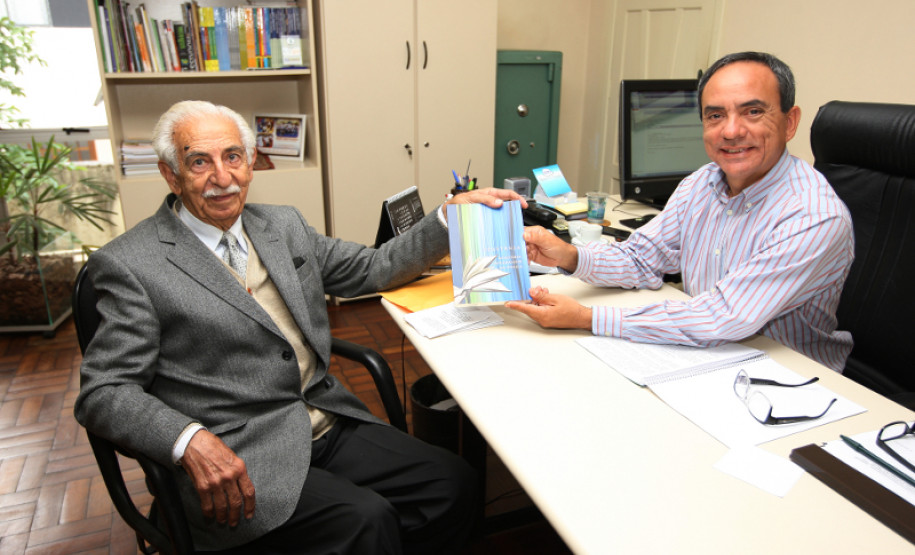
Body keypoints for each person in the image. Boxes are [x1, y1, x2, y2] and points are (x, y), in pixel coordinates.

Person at [74, 100, 525, 553]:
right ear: (171, 175)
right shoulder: (130, 263)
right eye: (198, 162)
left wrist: (449, 217)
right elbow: (104, 390)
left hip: (322, 418)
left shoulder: (282, 224)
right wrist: (187, 440)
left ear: (250, 163)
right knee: (366, 521)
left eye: (232, 156)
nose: (222, 177)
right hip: (237, 451)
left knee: (454, 483)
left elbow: (372, 268)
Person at [506, 51, 854, 372]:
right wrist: (569, 256)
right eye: (715, 115)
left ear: (790, 123)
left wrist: (587, 317)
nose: (731, 131)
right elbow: (643, 258)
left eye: (753, 111)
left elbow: (724, 317)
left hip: (791, 380)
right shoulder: (702, 183)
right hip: (710, 354)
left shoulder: (812, 216)